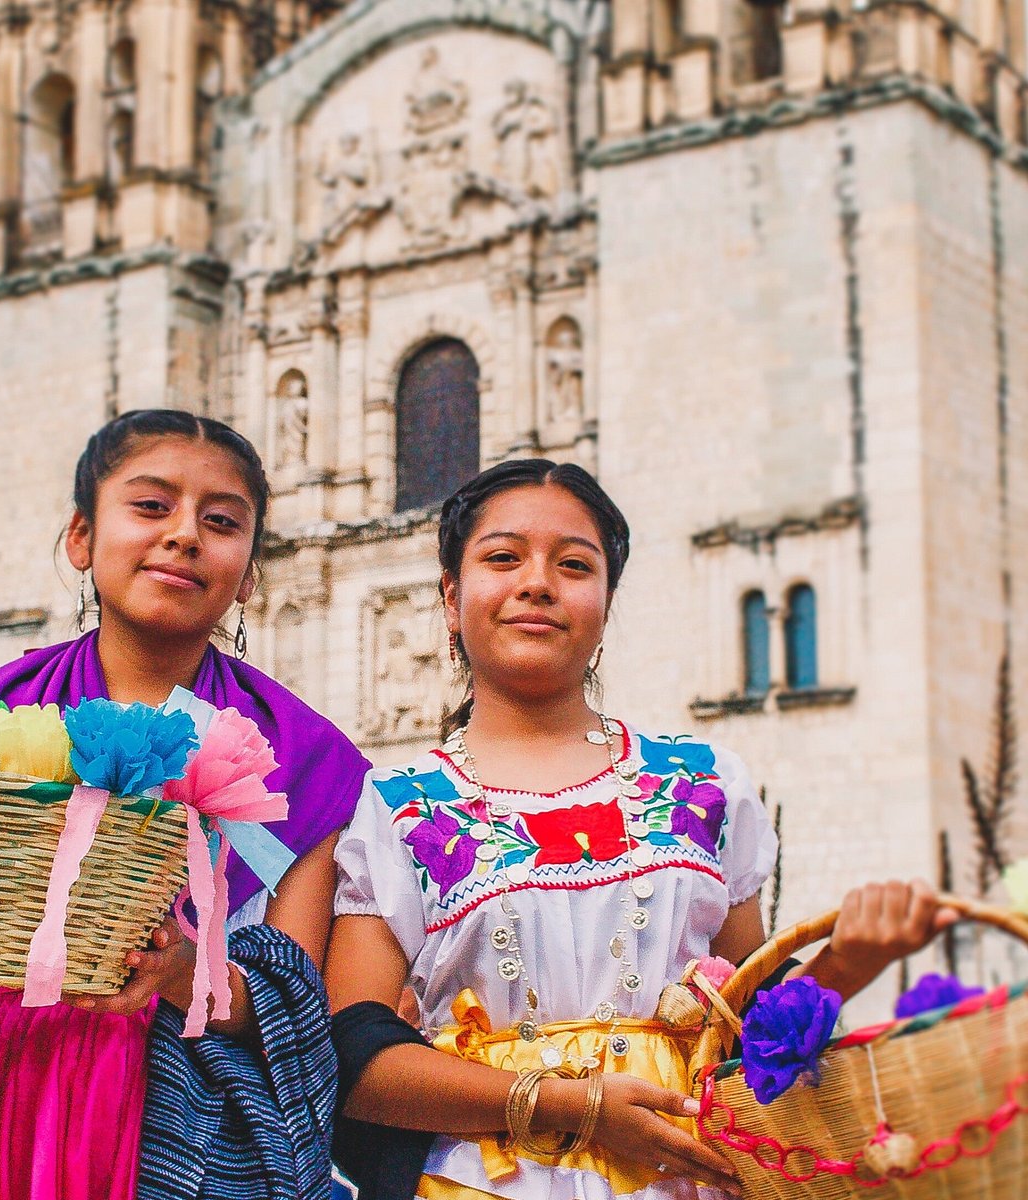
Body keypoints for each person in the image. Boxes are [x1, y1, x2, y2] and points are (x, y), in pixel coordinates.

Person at [325, 459, 955, 1200]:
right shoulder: (399, 805)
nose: (537, 583)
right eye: (503, 557)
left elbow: (748, 1033)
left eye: (573, 564)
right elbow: (356, 1059)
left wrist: (847, 963)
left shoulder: (702, 784)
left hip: (688, 1179)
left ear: (606, 599)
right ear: (451, 594)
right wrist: (573, 1108)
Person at [0, 409, 368, 1200]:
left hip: (175, 1132)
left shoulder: (302, 757)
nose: (184, 535)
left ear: (250, 570)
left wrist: (186, 973)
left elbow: (293, 1001)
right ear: (82, 537)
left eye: (221, 521)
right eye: (151, 506)